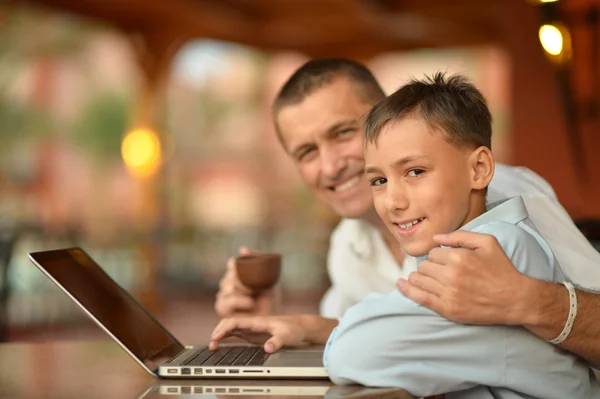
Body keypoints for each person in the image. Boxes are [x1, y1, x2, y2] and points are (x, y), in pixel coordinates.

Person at [212, 58, 600, 365]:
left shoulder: (501, 198)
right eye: (307, 152)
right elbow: (389, 333)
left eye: (344, 132)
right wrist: (284, 323)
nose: (330, 166)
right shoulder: (348, 242)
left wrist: (533, 301)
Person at [322, 72, 599, 398]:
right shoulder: (454, 242)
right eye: (379, 181)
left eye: (415, 172)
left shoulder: (492, 252)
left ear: (479, 169)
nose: (393, 202)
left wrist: (351, 329)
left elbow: (351, 352)